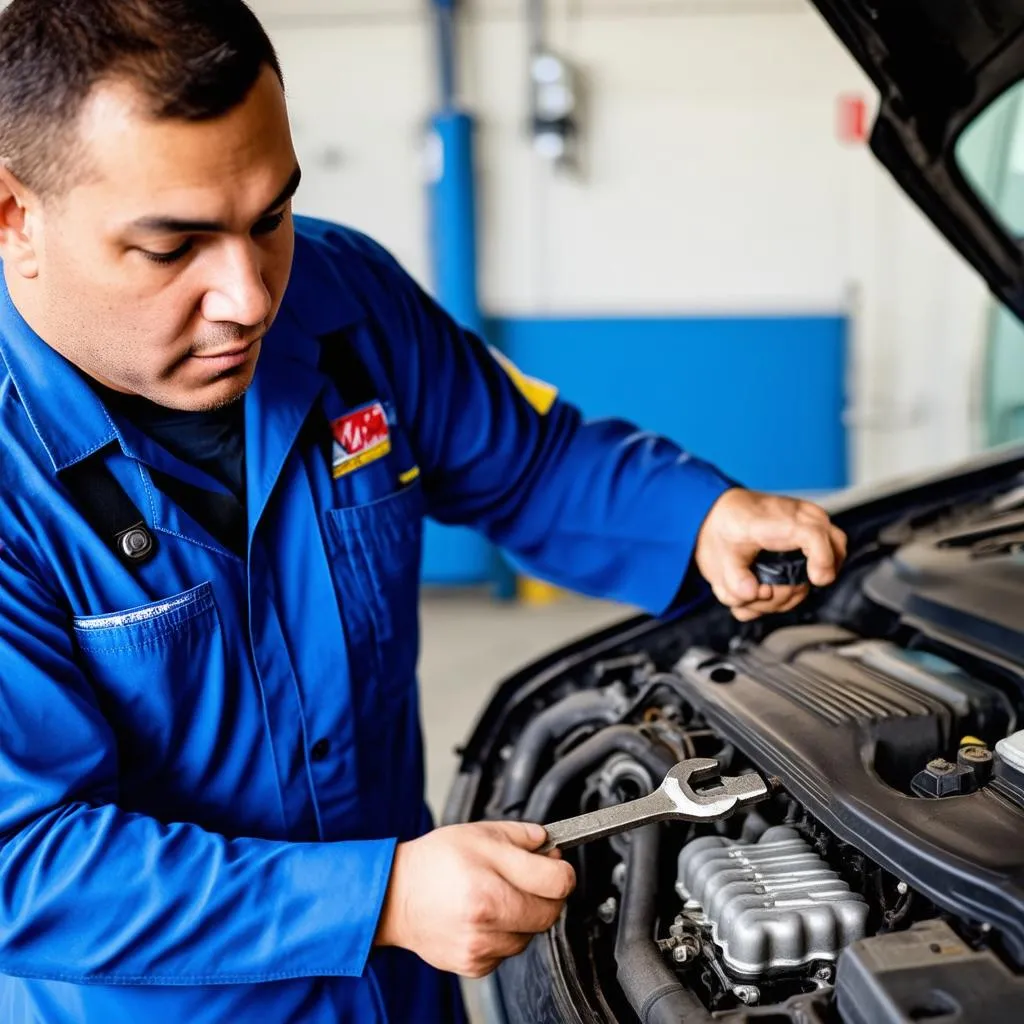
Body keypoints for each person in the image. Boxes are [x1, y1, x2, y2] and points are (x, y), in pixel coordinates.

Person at [0, 1, 847, 1021]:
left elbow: (525, 461)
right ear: (15, 216)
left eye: (268, 217)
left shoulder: (343, 298)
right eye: (173, 246)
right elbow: (23, 862)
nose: (249, 295)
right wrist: (381, 895)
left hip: (405, 984)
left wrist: (698, 516)